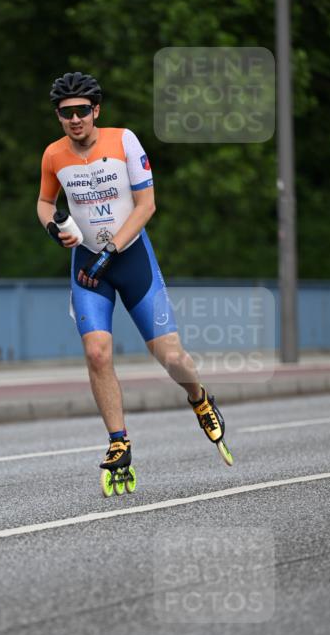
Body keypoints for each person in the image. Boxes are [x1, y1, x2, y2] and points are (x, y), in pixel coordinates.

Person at [37, 71, 231, 477]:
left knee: (171, 356)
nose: (75, 119)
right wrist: (53, 228)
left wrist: (112, 249)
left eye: (82, 110)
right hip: (88, 265)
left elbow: (146, 205)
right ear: (58, 116)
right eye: (67, 113)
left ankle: (198, 397)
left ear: (96, 110)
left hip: (130, 259)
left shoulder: (124, 140)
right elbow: (44, 202)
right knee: (96, 352)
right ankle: (118, 440)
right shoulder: (53, 155)